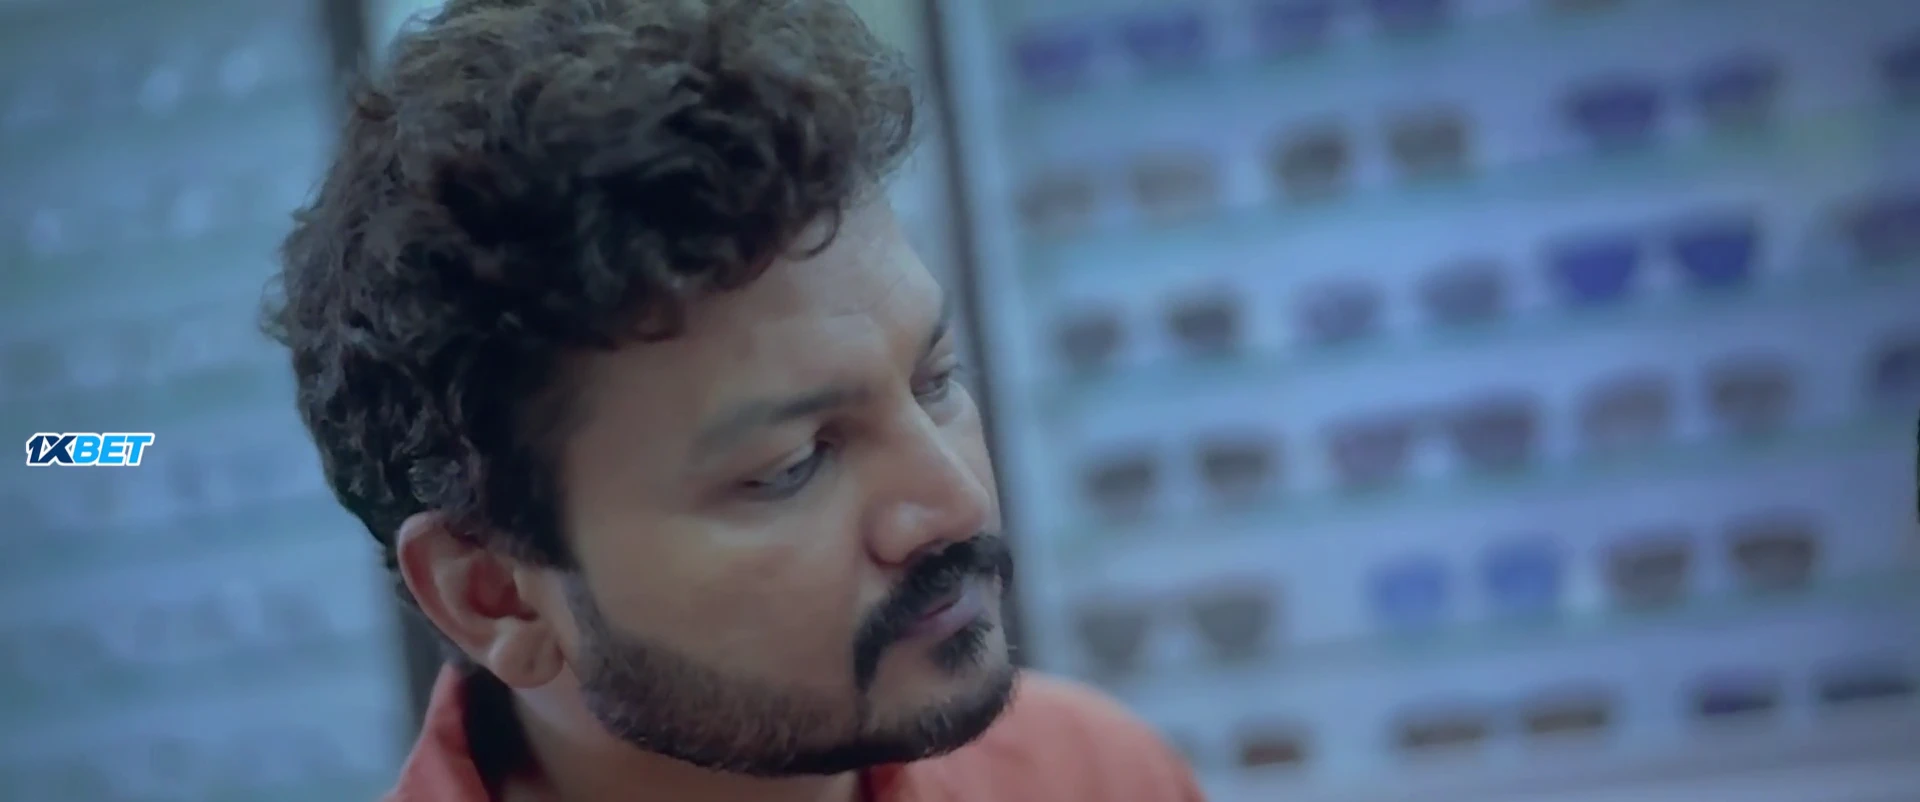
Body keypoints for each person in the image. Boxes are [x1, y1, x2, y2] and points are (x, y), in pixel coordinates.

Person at [264, 1, 1205, 801]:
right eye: (793, 465)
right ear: (496, 594)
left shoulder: (1094, 775)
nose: (956, 504)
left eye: (936, 381)